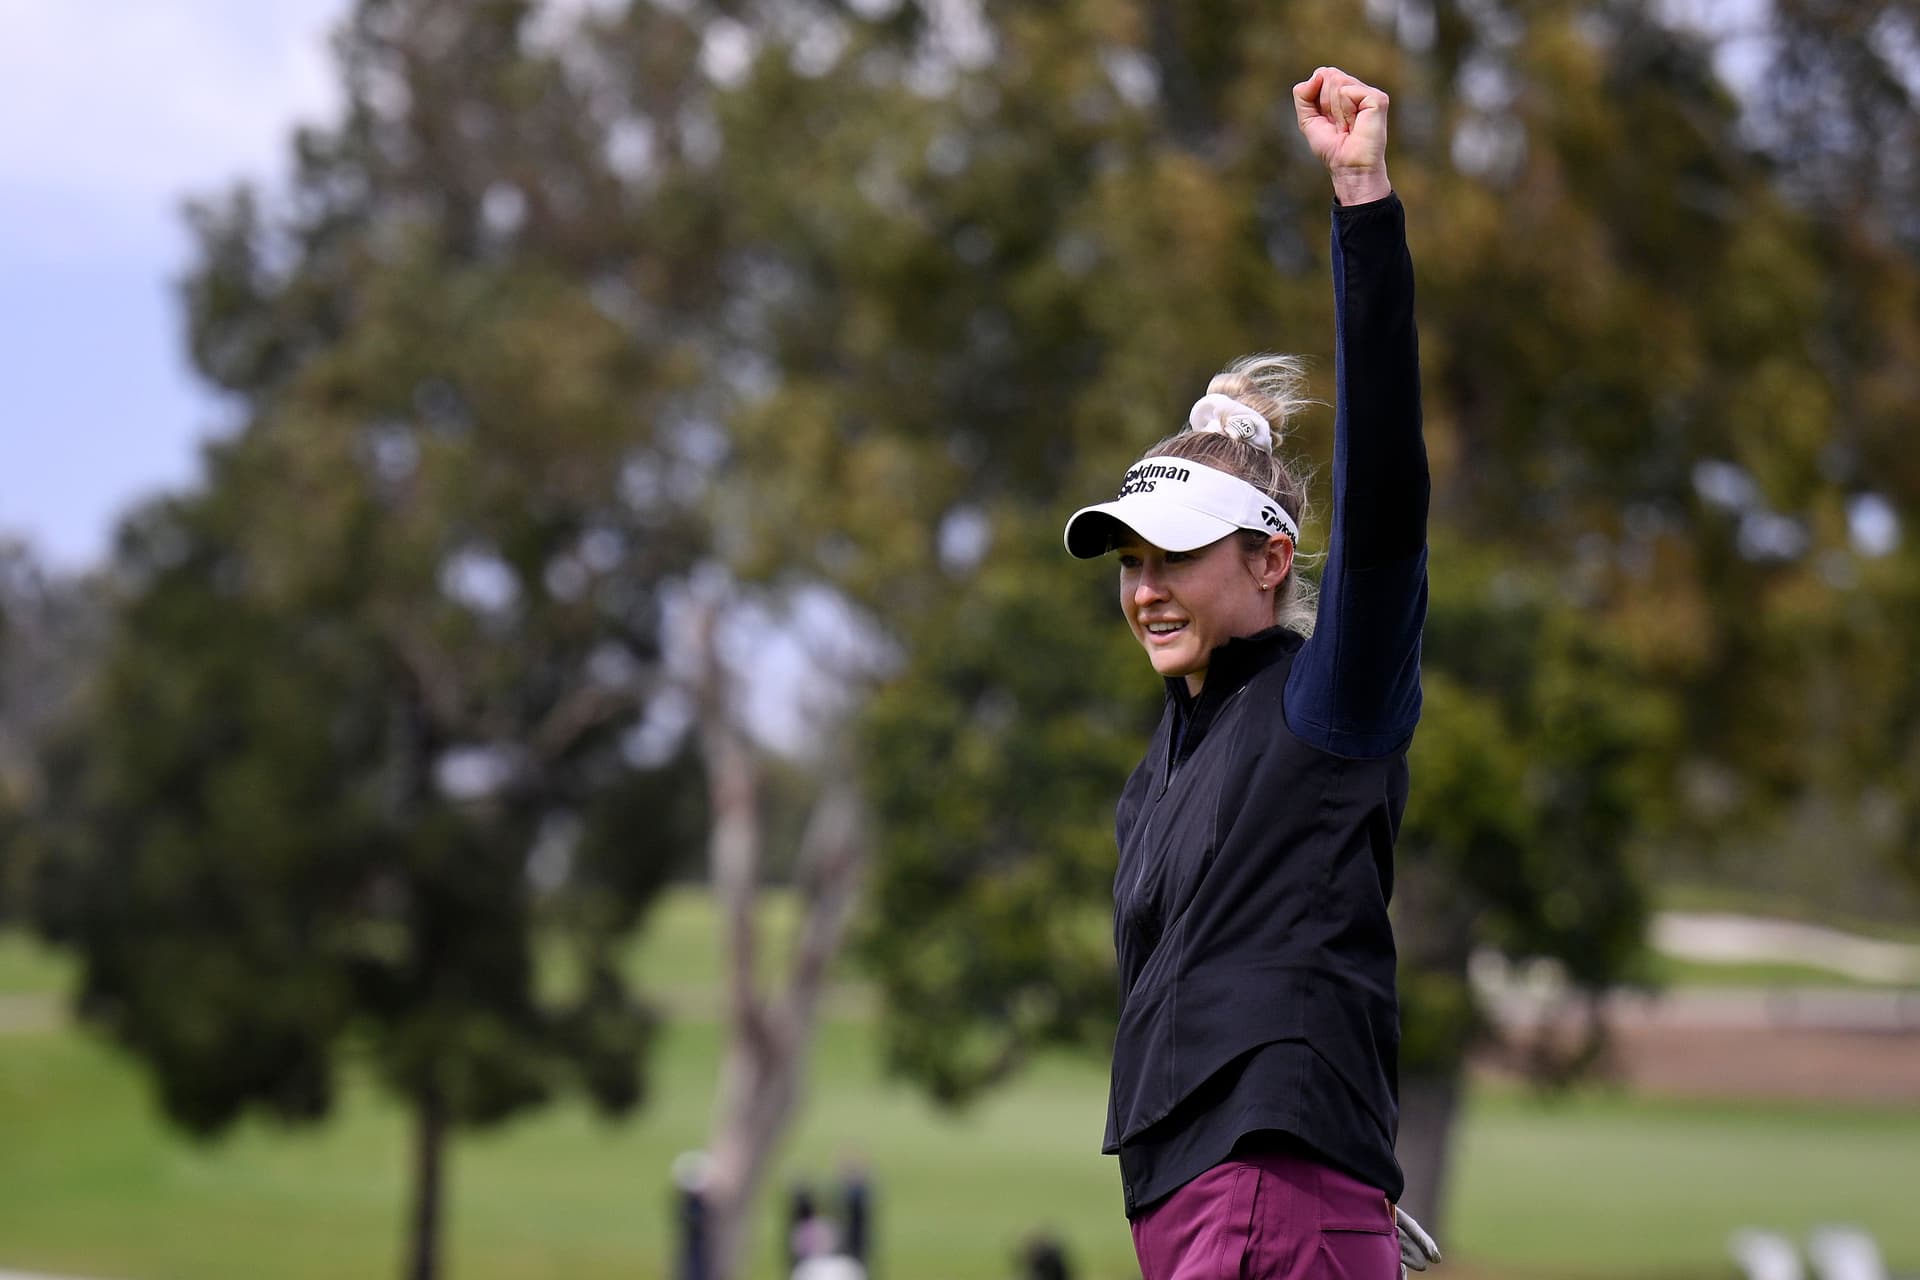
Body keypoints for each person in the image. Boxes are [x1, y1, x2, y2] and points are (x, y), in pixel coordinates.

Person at [1060, 66, 1442, 1279]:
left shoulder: (1327, 700)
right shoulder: (1155, 774)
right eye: (1128, 560)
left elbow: (1384, 500)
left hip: (1273, 1193)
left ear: (1271, 559)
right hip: (1180, 1205)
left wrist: (1362, 204)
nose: (1143, 587)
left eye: (1171, 554)